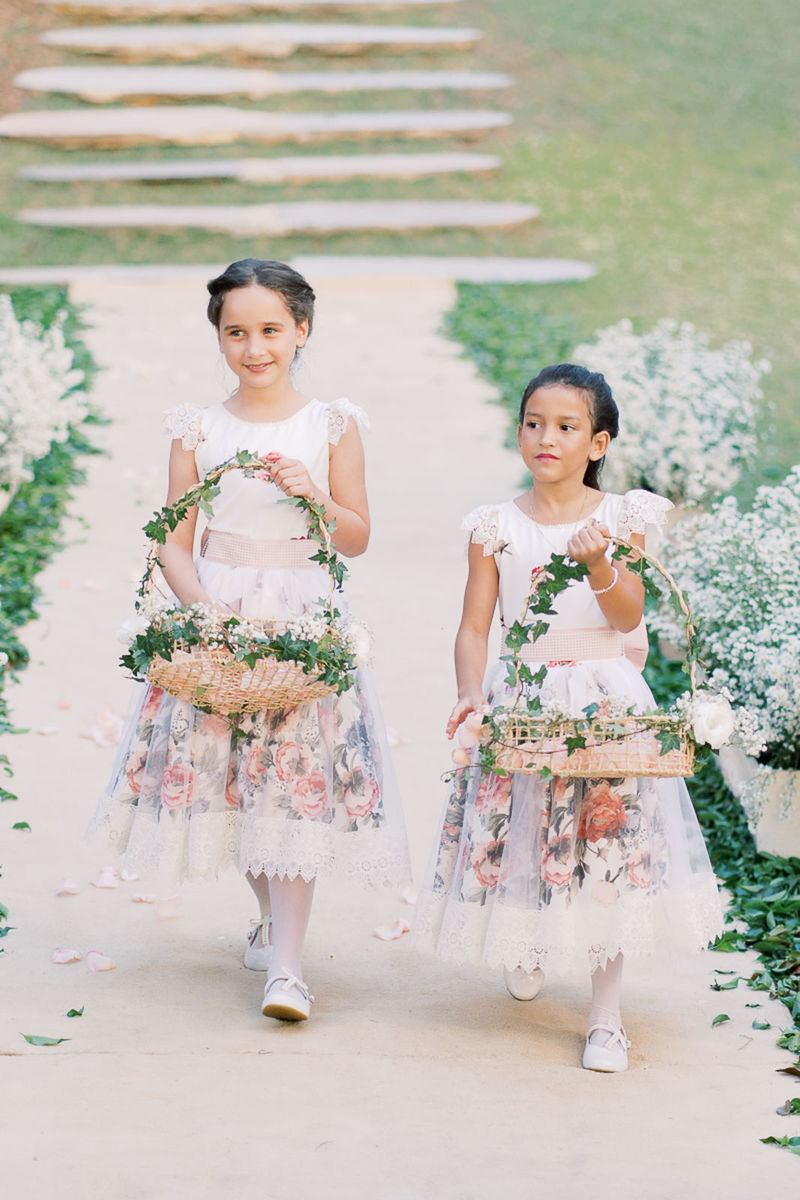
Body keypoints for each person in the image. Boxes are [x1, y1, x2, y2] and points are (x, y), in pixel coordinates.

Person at [92, 258, 410, 1022]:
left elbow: (359, 537)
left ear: (302, 330)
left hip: (301, 620)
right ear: (220, 340)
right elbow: (173, 540)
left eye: (271, 329)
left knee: (293, 788)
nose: (255, 347)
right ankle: (269, 919)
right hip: (220, 614)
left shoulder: (330, 425)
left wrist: (319, 498)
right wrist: (209, 616)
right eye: (237, 332)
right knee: (235, 783)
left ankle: (289, 973)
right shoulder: (197, 429)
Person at [414, 363, 724, 1072]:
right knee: (524, 824)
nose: (545, 437)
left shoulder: (620, 520)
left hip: (603, 694)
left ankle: (606, 1015)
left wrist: (599, 567)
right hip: (523, 692)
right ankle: (525, 942)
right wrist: (470, 691)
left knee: (606, 846)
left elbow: (627, 615)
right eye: (533, 422)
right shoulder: (495, 527)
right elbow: (474, 625)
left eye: (565, 426)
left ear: (598, 443)